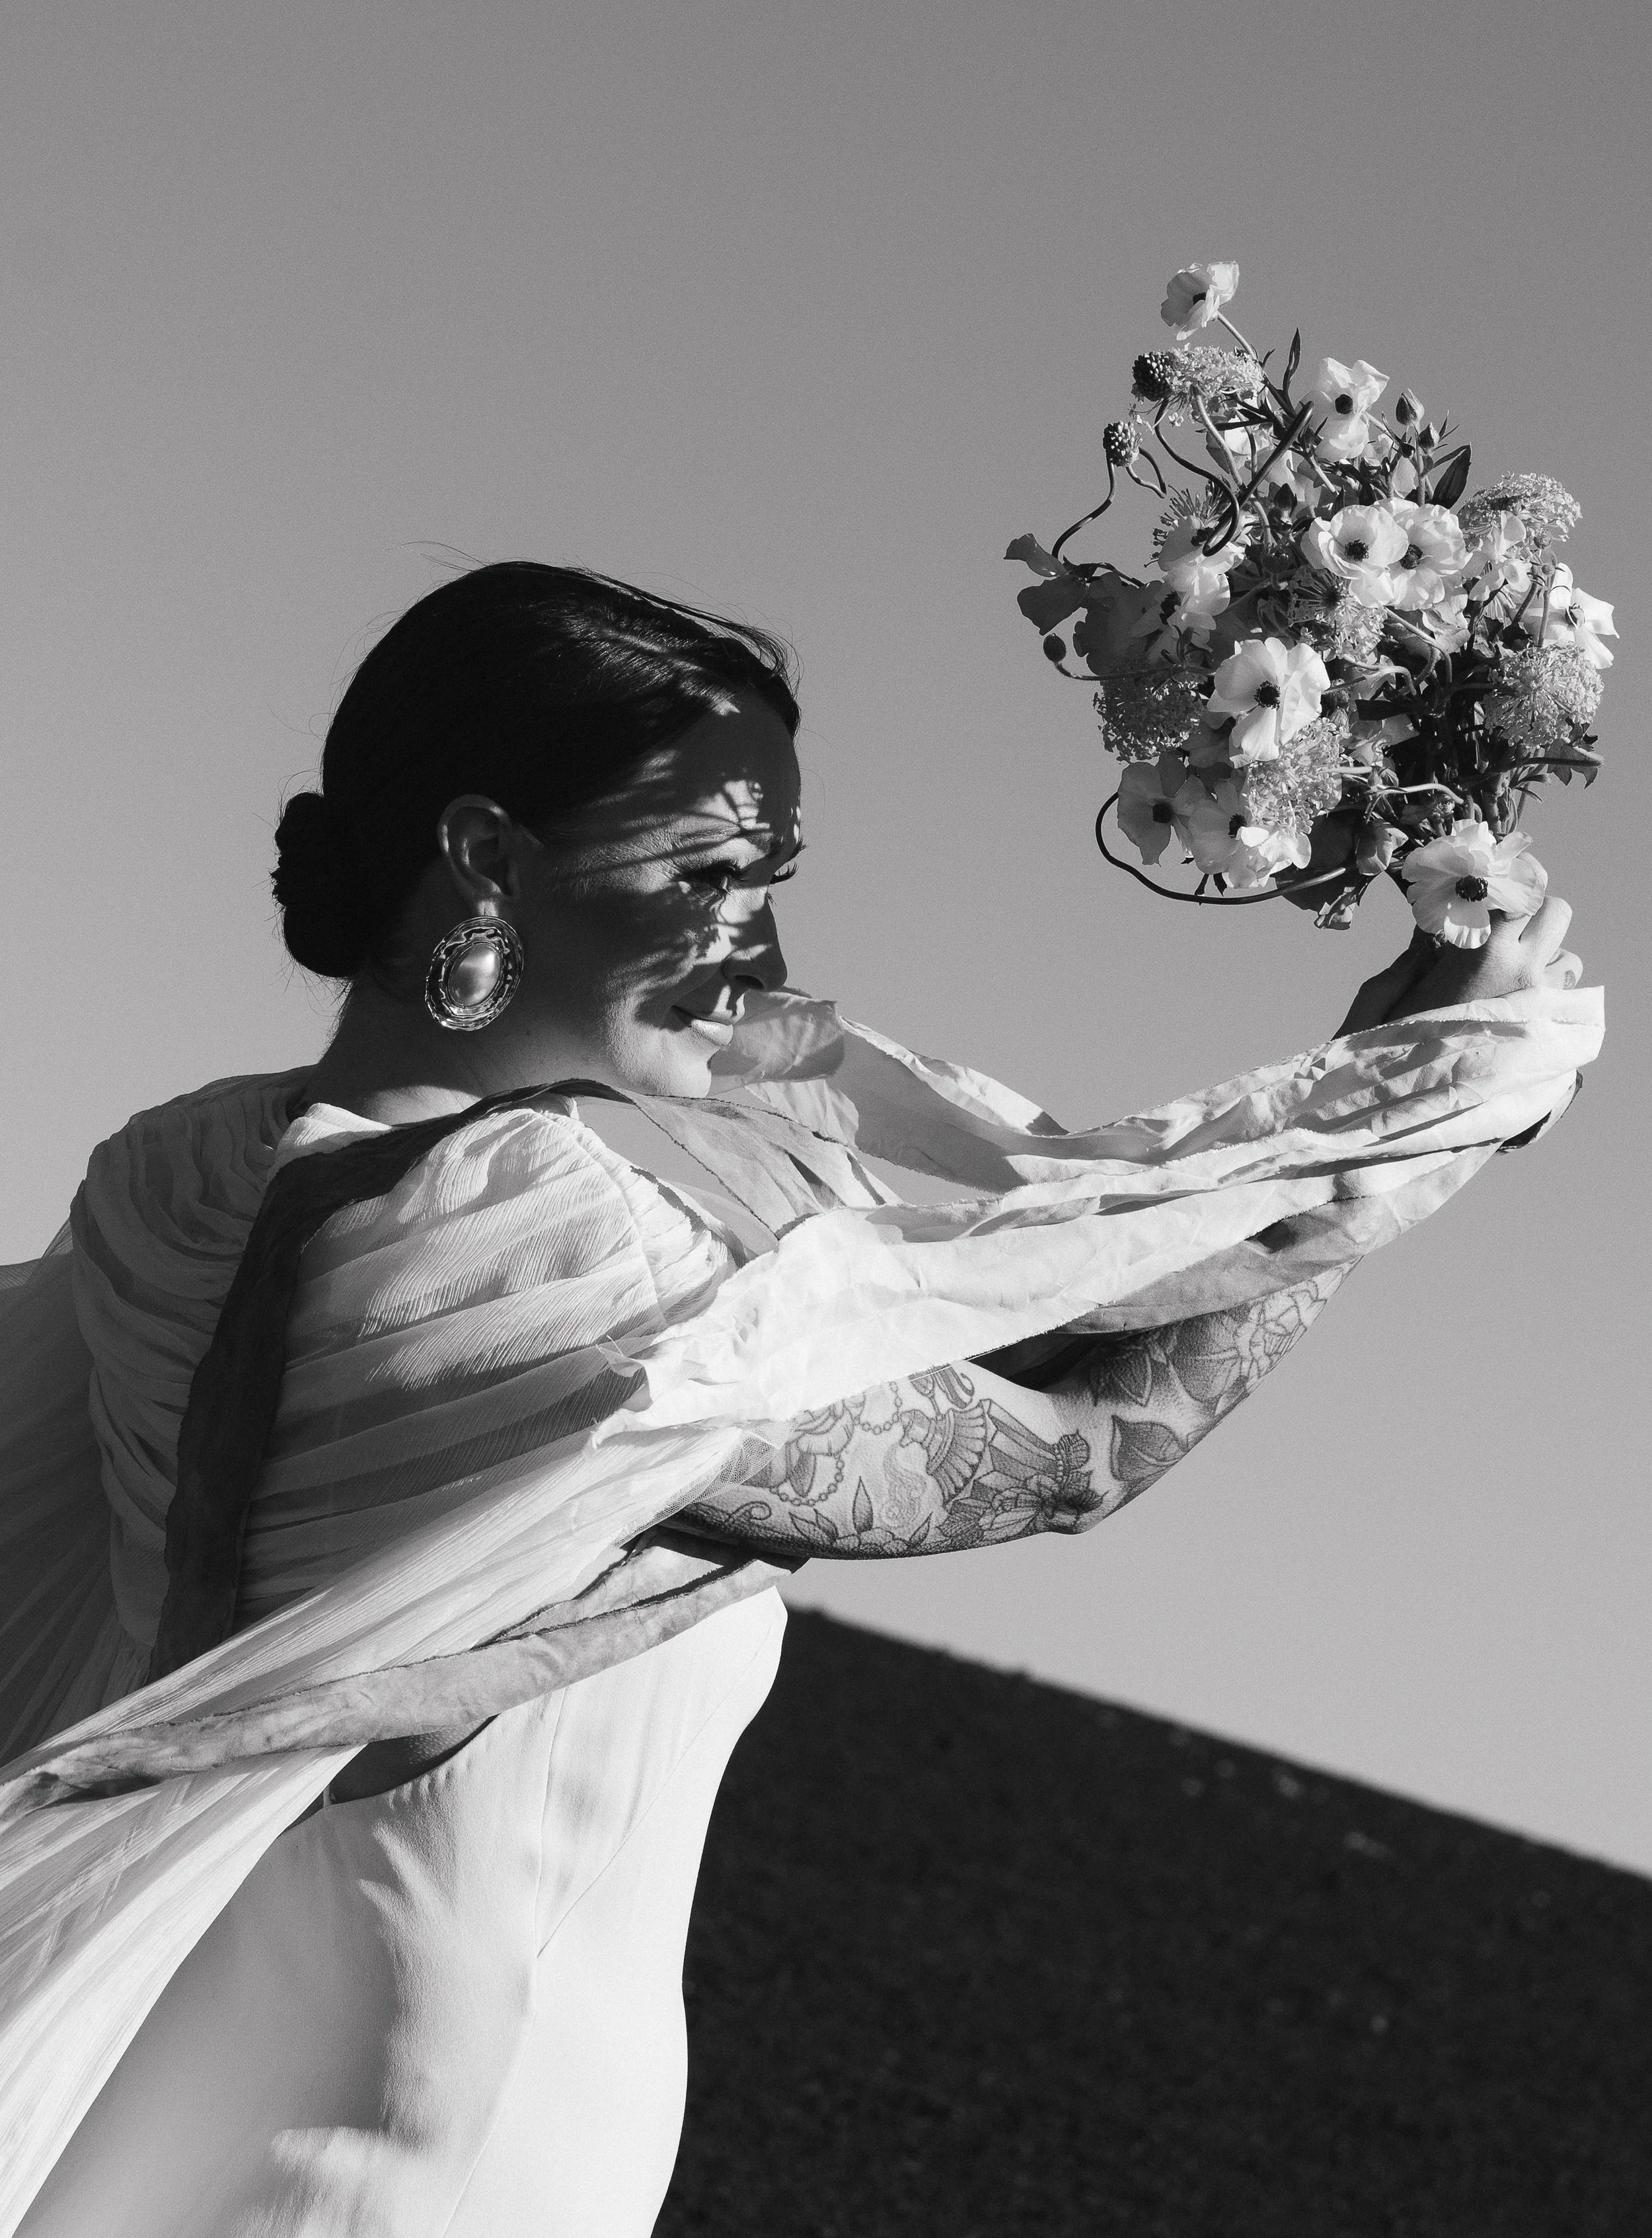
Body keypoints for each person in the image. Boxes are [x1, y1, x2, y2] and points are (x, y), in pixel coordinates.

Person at [3, 563, 1590, 2238]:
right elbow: (1065, 1453)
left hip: (206, 2076)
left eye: (773, 873)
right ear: (483, 855)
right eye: (709, 870)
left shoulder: (177, 1174)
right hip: (457, 2137)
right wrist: (1411, 1128)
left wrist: (1363, 1102)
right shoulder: (527, 1239)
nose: (757, 941)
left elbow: (967, 1288)